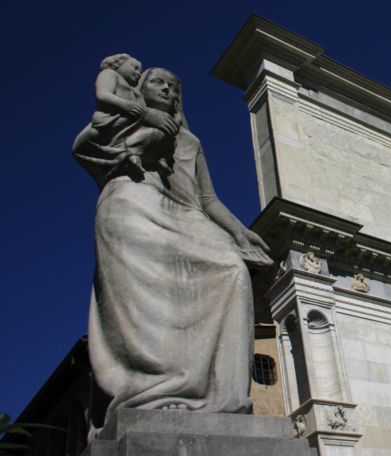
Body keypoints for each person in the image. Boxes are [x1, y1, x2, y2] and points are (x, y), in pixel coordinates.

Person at [74, 67, 271, 425]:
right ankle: (155, 388)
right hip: (132, 205)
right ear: (140, 87)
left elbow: (207, 199)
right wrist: (139, 119)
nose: (166, 88)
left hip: (187, 215)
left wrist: (240, 231)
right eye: (157, 82)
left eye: (173, 86)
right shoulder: (123, 119)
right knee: (145, 297)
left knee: (232, 270)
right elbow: (82, 148)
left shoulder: (191, 142)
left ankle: (221, 394)